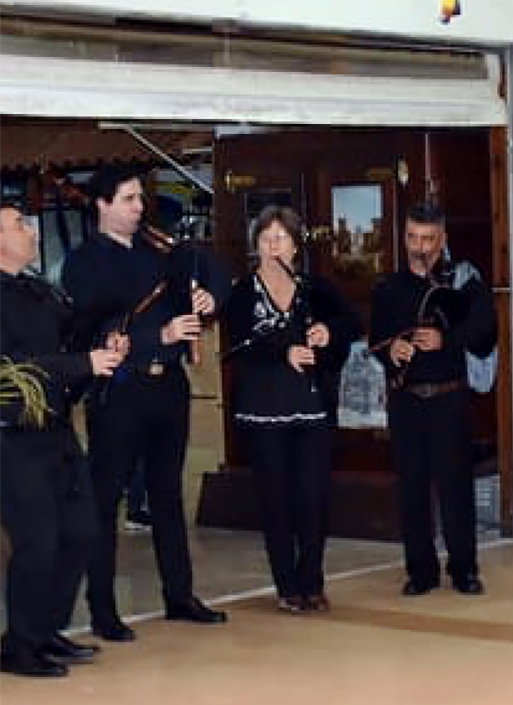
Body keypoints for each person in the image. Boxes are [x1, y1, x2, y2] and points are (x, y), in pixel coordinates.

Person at [62, 166, 231, 641]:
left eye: (140, 199)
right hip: (120, 391)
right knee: (106, 497)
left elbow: (209, 276)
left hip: (167, 387)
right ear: (102, 204)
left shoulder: (158, 254)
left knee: (167, 495)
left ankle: (179, 595)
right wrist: (159, 334)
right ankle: (102, 608)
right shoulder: (83, 263)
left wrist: (202, 299)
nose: (139, 207)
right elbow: (93, 332)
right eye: (129, 199)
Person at [0, 204, 122, 677]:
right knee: (37, 539)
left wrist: (102, 354)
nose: (30, 230)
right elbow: (18, 368)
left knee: (80, 531)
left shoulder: (41, 291)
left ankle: (45, 629)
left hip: (56, 430)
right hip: (13, 437)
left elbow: (66, 351)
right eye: (17, 225)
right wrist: (81, 364)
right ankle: (18, 646)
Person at [224, 206, 360, 613]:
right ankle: (286, 584)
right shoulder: (243, 292)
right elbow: (241, 342)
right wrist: (284, 350)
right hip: (264, 409)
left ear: (296, 245)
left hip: (311, 406)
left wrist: (328, 332)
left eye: (280, 239)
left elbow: (352, 322)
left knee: (313, 496)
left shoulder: (314, 288)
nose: (272, 247)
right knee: (276, 498)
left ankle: (312, 580)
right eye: (265, 240)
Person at [370, 203, 497, 597]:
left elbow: (485, 332)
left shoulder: (464, 283)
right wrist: (391, 352)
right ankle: (420, 571)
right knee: (411, 488)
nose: (418, 247)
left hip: (449, 398)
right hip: (407, 400)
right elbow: (376, 340)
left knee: (456, 486)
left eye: (427, 239)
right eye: (412, 238)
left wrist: (448, 339)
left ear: (442, 240)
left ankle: (464, 569)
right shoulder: (389, 288)